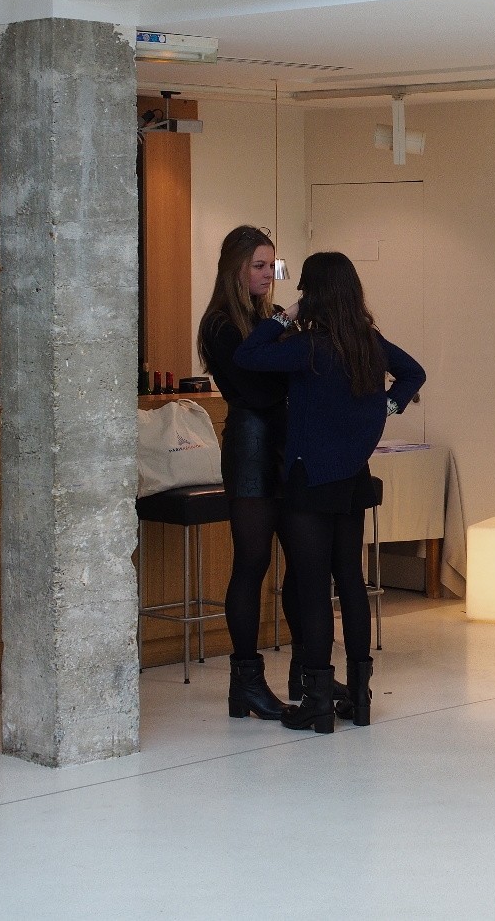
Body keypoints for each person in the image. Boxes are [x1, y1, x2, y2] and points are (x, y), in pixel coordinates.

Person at [236, 251, 425, 733]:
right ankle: (359, 696)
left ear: (313, 293)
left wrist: (283, 317)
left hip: (309, 478)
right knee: (351, 582)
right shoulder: (367, 342)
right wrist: (387, 407)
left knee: (313, 586)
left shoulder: (309, 347)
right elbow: (413, 373)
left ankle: (318, 701)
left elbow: (248, 355)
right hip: (352, 478)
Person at [197, 225, 298, 721]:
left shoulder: (263, 319)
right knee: (252, 563)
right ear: (235, 269)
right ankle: (246, 681)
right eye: (258, 266)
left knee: (301, 559)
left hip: (281, 444)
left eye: (271, 266)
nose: (267, 275)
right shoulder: (220, 324)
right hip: (251, 445)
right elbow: (257, 392)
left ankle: (307, 670)